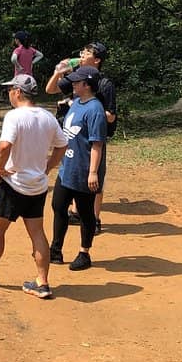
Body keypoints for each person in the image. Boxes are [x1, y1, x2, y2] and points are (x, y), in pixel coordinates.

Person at [0, 73, 68, 300]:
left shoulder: (14, 116)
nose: (9, 93)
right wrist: (47, 168)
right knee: (37, 232)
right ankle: (42, 282)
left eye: (11, 90)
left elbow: (4, 145)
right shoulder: (47, 117)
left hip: (13, 184)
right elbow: (62, 145)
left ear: (18, 92)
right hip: (37, 186)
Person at [45, 40, 117, 232]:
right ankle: (77, 213)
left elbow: (111, 116)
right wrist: (59, 72)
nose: (82, 55)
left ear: (97, 60)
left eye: (87, 53)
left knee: (95, 177)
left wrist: (89, 111)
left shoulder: (104, 84)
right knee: (73, 172)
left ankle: (94, 219)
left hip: (94, 136)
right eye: (83, 52)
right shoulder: (77, 78)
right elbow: (50, 90)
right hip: (73, 136)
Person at [48, 65, 107, 271]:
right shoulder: (77, 104)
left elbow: (97, 144)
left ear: (87, 85)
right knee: (58, 206)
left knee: (85, 213)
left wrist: (92, 172)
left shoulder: (95, 109)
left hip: (83, 171)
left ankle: (84, 252)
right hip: (67, 168)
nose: (73, 84)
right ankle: (55, 250)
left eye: (77, 82)